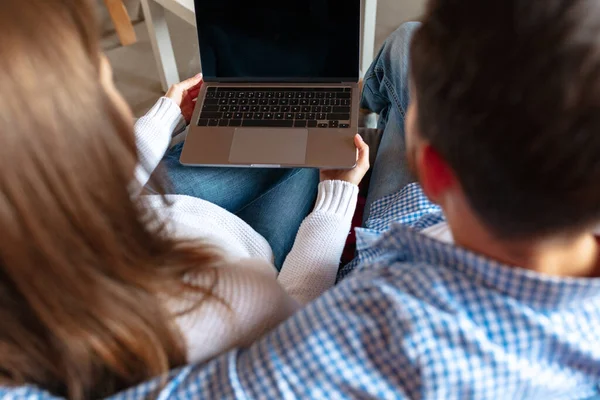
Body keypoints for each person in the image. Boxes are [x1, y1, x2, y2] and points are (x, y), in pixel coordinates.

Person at [10, 0, 597, 398]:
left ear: (435, 168)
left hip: (324, 245)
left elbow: (298, 313)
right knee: (406, 47)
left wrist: (337, 198)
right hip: (221, 248)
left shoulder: (365, 321)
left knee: (301, 142)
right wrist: (339, 193)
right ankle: (349, 102)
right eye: (107, 89)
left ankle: (347, 104)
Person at [0, 0, 370, 398]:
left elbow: (102, 184)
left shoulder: (28, 251)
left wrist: (167, 113)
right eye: (106, 85)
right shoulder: (231, 295)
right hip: (250, 254)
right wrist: (338, 198)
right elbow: (296, 328)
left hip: (163, 212)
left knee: (289, 135)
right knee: (309, 158)